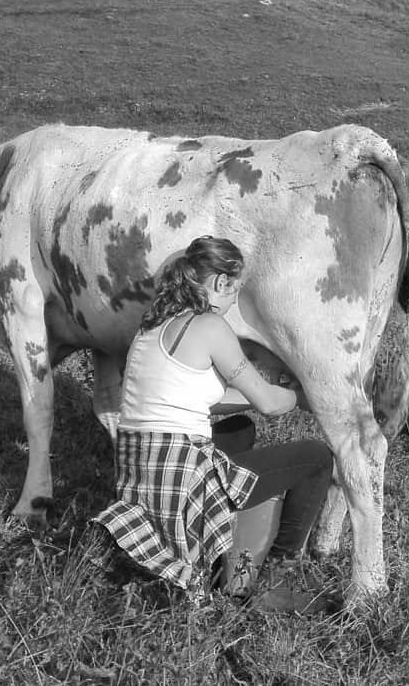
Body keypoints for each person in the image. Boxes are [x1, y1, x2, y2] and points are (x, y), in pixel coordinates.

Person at [93, 235, 335, 611]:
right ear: (221, 283)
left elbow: (199, 399)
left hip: (140, 473)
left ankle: (224, 549)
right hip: (181, 479)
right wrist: (300, 396)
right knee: (316, 458)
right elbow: (271, 404)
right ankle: (272, 575)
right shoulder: (209, 325)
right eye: (235, 291)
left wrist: (258, 400)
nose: (234, 301)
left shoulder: (152, 328)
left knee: (240, 430)